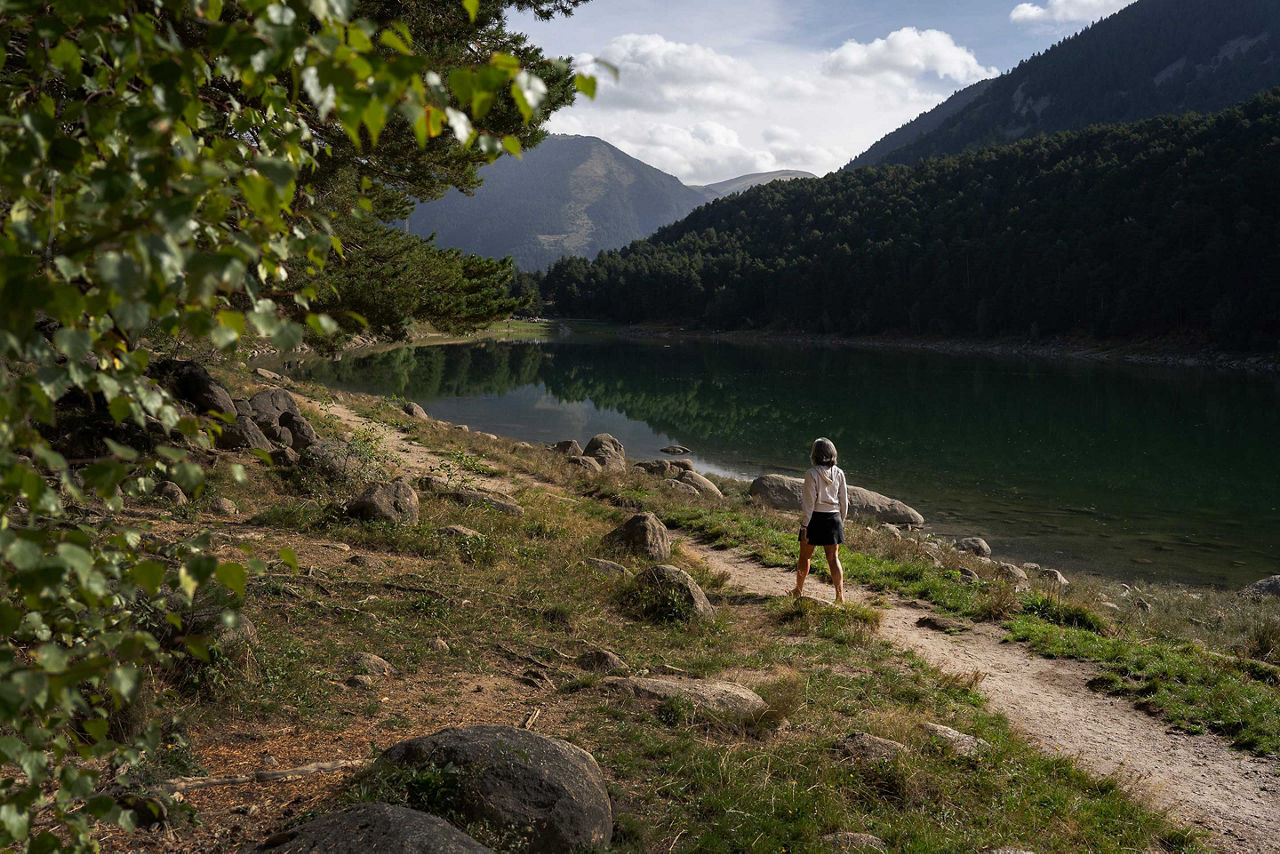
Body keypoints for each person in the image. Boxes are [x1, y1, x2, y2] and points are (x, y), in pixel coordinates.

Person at [794, 437, 848, 604]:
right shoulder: (839, 473)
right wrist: (840, 521)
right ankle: (840, 596)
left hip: (815, 518)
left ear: (815, 454)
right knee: (833, 559)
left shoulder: (811, 474)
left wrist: (805, 526)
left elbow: (809, 503)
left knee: (804, 557)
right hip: (834, 518)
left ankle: (798, 591)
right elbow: (844, 501)